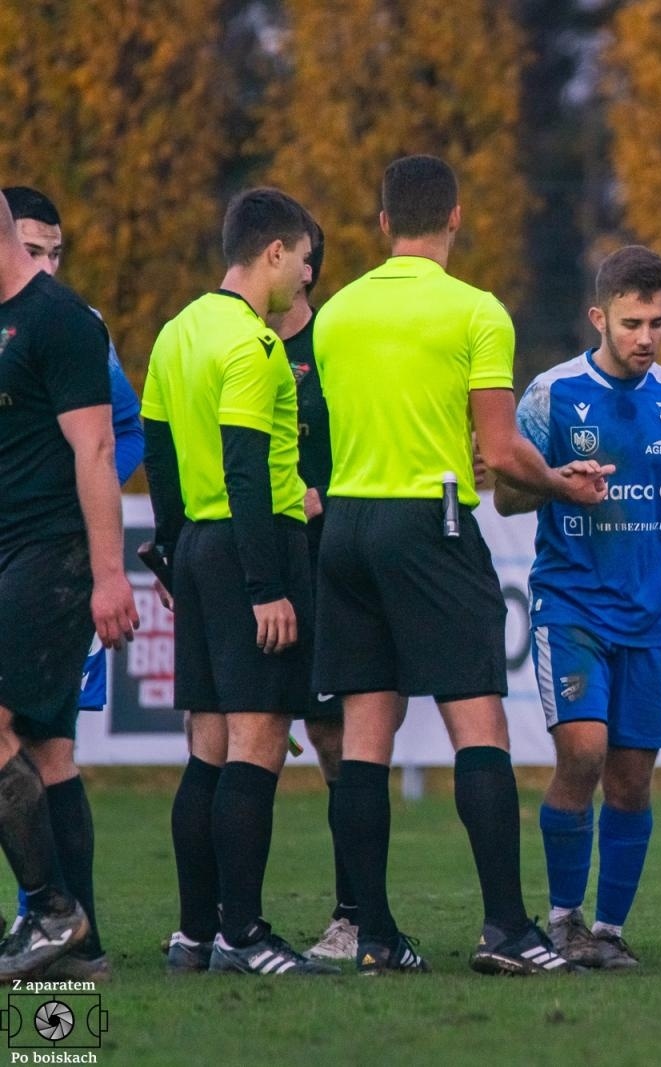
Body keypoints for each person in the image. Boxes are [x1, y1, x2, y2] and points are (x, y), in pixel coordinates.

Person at [312, 154, 610, 975]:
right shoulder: (476, 311)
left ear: (381, 224)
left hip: (345, 527)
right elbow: (504, 450)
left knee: (367, 735)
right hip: (427, 523)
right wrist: (562, 484)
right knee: (478, 724)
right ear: (455, 217)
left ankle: (373, 934)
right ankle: (508, 930)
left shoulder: (334, 312)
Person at [496, 245, 661, 970]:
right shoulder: (553, 395)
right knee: (585, 752)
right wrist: (558, 481)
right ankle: (563, 918)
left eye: (659, 321)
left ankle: (609, 929)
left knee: (632, 775)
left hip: (649, 620)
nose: (646, 337)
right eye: (632, 322)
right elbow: (505, 493)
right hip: (571, 609)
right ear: (599, 316)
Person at [144, 188, 335, 976]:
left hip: (195, 549)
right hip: (248, 551)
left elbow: (158, 453)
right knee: (256, 745)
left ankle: (193, 933)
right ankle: (244, 935)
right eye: (301, 262)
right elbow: (247, 468)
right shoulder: (252, 346)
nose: (304, 280)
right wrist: (267, 586)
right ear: (274, 253)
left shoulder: (175, 332)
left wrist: (168, 554)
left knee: (208, 751)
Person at [1, 186, 144, 979]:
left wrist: (107, 575)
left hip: (50, 560)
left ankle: (52, 911)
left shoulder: (63, 321)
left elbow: (102, 446)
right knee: (50, 751)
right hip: (12, 556)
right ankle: (73, 950)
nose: (50, 259)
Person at [262, 219, 363, 961]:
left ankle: (352, 913)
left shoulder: (334, 346)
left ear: (304, 270)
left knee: (334, 741)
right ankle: (218, 923)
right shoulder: (232, 339)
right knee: (236, 738)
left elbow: (371, 435)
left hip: (326, 566)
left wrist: (323, 489)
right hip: (251, 567)